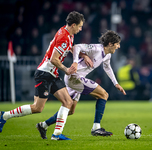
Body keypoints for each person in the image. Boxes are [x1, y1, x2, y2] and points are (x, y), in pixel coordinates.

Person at [0, 11, 85, 141]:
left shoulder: (68, 34)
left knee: (68, 102)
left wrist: (82, 55)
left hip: (52, 74)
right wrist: (66, 70)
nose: (81, 29)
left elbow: (69, 48)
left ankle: (56, 135)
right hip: (45, 74)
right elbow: (53, 59)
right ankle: (4, 116)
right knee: (37, 108)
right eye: (79, 26)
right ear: (73, 25)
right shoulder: (63, 36)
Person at [36, 30, 126, 139]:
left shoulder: (107, 55)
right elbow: (76, 47)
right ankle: (96, 127)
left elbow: (107, 67)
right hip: (74, 77)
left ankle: (43, 125)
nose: (119, 47)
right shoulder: (96, 48)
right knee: (103, 95)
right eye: (117, 44)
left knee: (70, 110)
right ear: (110, 44)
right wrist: (77, 60)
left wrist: (116, 84)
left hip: (77, 78)